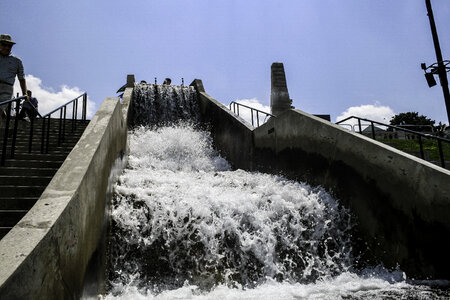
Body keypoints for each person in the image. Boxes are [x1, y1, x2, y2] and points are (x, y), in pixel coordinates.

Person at [0, 34, 28, 118]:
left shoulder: (17, 61)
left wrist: (25, 93)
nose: (7, 48)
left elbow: (21, 78)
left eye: (9, 45)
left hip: (7, 88)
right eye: (4, 45)